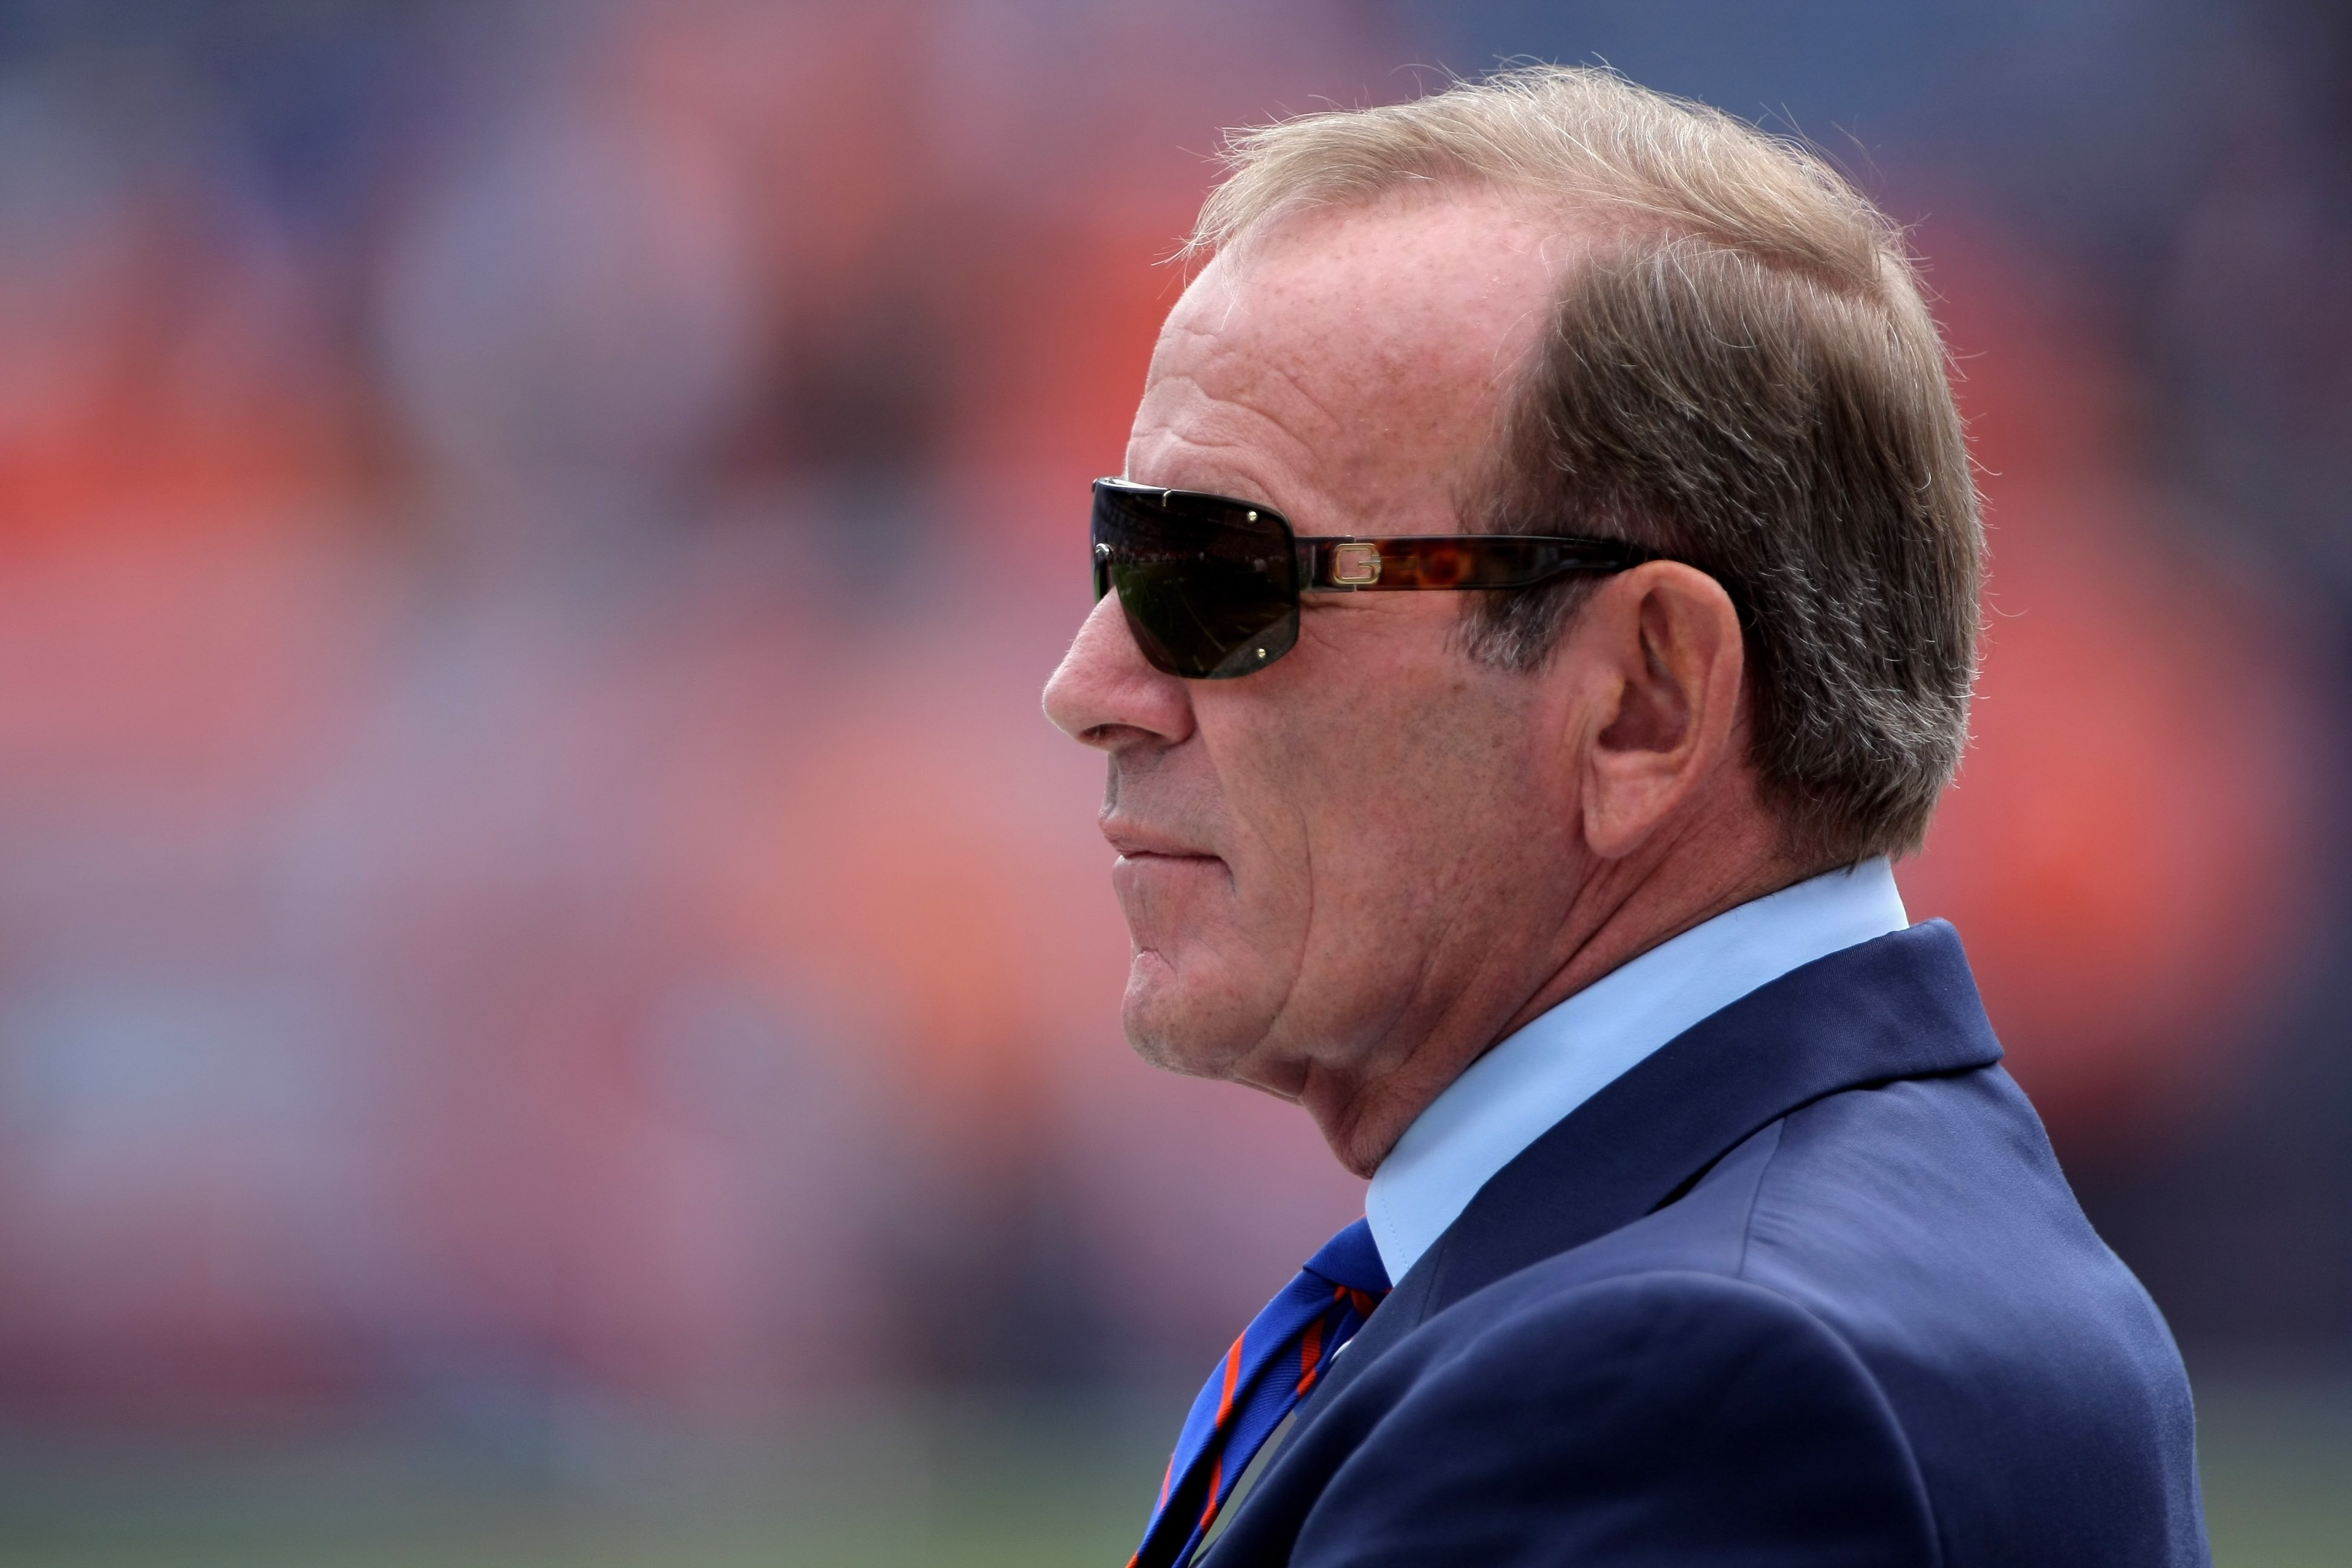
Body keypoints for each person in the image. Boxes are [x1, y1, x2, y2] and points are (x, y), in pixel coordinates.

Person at [1042, 65, 2209, 1567]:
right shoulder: (1765, 1270)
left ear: (1644, 702)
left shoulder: (1680, 1388)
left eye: (1224, 577)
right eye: (1124, 555)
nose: (1092, 687)